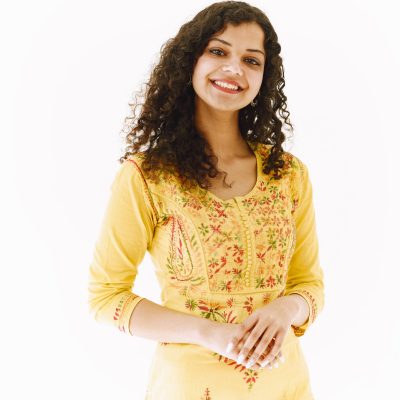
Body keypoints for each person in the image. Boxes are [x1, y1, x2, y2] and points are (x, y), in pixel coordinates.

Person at [87, 1, 325, 398]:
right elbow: (105, 296)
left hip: (285, 386)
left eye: (252, 60)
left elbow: (309, 285)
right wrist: (208, 332)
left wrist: (286, 310)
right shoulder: (148, 177)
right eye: (218, 51)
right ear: (189, 63)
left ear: (263, 78)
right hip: (192, 387)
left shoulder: (288, 174)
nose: (234, 68)